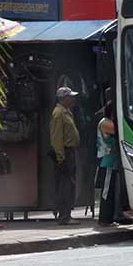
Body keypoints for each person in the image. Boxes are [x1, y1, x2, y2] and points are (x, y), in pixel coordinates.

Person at [97, 91, 133, 226]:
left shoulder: (109, 122)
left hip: (114, 161)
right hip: (107, 161)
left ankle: (114, 215)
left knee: (115, 189)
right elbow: (120, 131)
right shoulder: (105, 123)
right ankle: (104, 218)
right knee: (107, 190)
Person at [50, 86, 82, 225]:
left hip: (70, 152)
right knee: (65, 185)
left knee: (69, 184)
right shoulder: (58, 114)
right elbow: (56, 138)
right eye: (70, 96)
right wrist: (60, 158)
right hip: (65, 153)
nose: (73, 99)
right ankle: (64, 216)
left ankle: (66, 214)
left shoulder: (66, 112)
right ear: (64, 99)